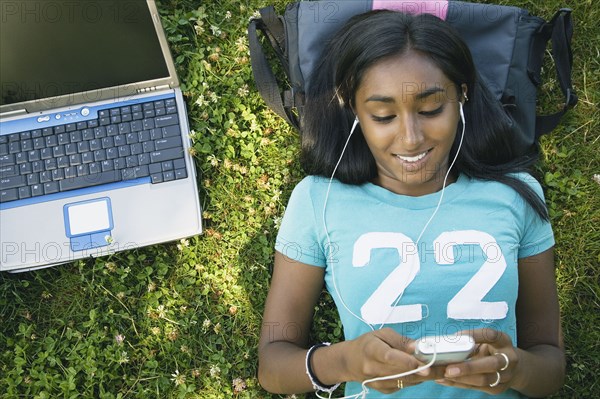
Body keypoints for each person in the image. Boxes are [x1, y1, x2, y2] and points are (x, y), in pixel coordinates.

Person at [258, 10, 564, 399]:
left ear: (463, 96)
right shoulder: (319, 201)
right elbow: (272, 363)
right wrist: (345, 361)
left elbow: (550, 362)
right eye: (383, 115)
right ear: (355, 113)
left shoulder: (515, 196)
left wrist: (514, 369)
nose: (411, 138)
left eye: (431, 109)